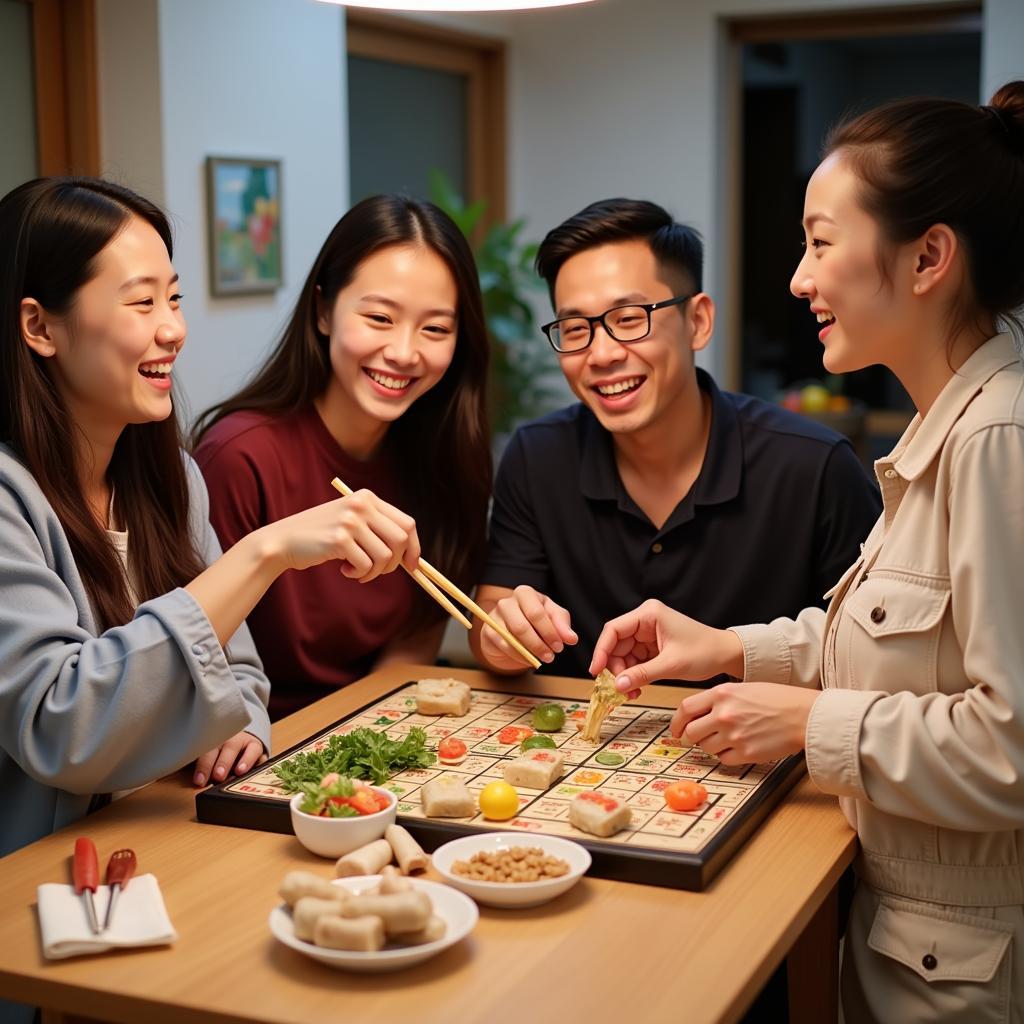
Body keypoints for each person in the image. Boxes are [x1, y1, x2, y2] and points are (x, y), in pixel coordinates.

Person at [592, 83, 1024, 1023]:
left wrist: (806, 723)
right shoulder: (946, 427)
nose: (798, 278)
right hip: (912, 938)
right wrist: (728, 648)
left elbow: (1010, 747)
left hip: (969, 968)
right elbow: (900, 644)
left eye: (821, 243)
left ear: (928, 258)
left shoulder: (999, 437)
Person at [0, 178, 422, 859]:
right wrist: (263, 552)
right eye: (142, 302)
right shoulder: (8, 499)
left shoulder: (173, 477)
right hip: (48, 872)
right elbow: (62, 727)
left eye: (173, 298)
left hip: (165, 838)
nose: (174, 328)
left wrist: (245, 727)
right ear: (39, 327)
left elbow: (241, 676)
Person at [470, 198, 880, 679]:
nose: (600, 354)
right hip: (581, 747)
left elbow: (871, 653)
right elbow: (491, 615)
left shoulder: (814, 467)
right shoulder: (538, 455)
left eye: (628, 319)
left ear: (698, 321)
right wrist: (500, 637)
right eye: (575, 328)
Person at [193, 195, 491, 719]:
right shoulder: (238, 457)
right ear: (324, 311)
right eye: (379, 317)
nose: (403, 351)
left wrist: (362, 738)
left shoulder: (449, 456)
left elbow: (416, 637)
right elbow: (193, 656)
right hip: (252, 739)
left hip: (376, 727)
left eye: (436, 329)